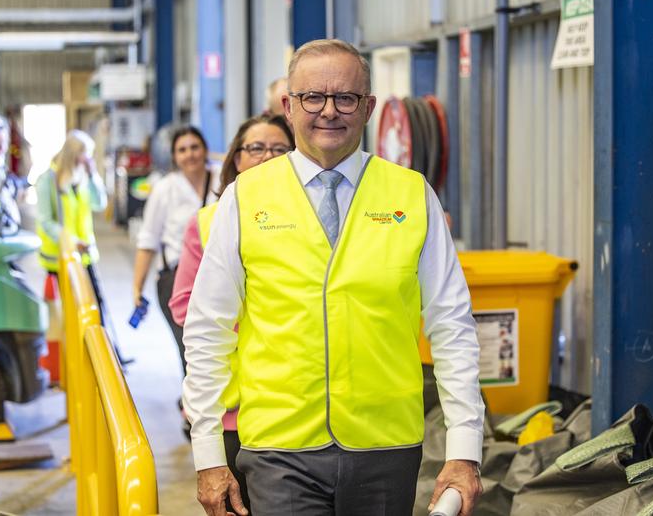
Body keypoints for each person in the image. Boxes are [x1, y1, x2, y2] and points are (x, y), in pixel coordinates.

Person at [183, 38, 484, 516]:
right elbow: (207, 330)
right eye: (312, 98)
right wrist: (208, 454)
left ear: (368, 108)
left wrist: (464, 448)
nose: (329, 111)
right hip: (278, 448)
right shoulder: (244, 198)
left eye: (345, 98)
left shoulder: (411, 195)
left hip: (386, 446)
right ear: (288, 105)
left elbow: (453, 327)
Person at [168, 113, 294, 512]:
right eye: (255, 148)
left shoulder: (315, 224)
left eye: (279, 149)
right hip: (232, 413)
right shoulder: (207, 224)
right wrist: (254, 318)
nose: (266, 157)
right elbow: (184, 305)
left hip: (292, 407)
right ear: (236, 159)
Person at [132, 126, 219, 378]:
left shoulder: (222, 180)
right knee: (190, 349)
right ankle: (193, 408)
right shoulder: (165, 188)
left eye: (194, 147)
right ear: (174, 156)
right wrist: (137, 288)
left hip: (218, 277)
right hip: (178, 281)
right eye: (182, 150)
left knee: (218, 348)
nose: (189, 154)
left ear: (204, 150)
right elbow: (148, 239)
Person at [35, 130, 129, 362]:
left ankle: (106, 356)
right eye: (85, 155)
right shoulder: (49, 180)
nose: (87, 159)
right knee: (69, 311)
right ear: (73, 154)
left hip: (85, 255)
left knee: (96, 305)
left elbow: (99, 204)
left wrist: (94, 174)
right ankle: (75, 361)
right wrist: (69, 241)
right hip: (59, 259)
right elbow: (45, 221)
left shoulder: (83, 177)